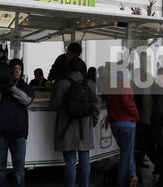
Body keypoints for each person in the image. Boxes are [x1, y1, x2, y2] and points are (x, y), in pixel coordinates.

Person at [50, 58, 100, 187]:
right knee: (85, 160)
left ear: (69, 69)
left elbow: (54, 104)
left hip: (66, 128)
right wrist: (92, 122)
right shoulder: (91, 84)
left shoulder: (62, 84)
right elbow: (96, 107)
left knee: (70, 162)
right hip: (85, 127)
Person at [0, 58, 35, 187]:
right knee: (0, 168)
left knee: (19, 169)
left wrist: (11, 88)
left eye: (19, 69)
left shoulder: (25, 86)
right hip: (0, 132)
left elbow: (27, 100)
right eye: (14, 68)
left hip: (18, 133)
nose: (17, 71)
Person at [102, 70, 139, 187]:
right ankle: (123, 182)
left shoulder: (108, 85)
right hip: (127, 123)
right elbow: (127, 102)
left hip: (114, 123)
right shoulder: (123, 84)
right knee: (125, 155)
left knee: (126, 151)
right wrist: (136, 115)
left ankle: (133, 175)